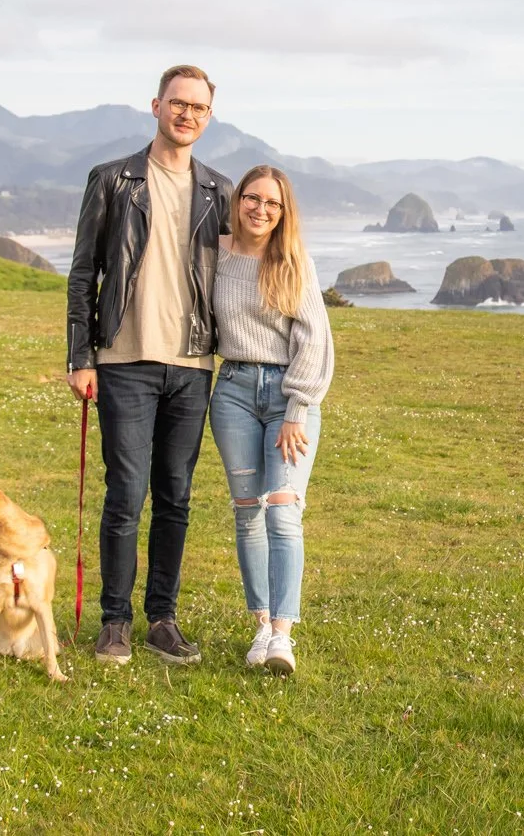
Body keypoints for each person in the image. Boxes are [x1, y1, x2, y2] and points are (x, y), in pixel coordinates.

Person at [67, 65, 233, 666]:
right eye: (178, 103)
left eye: (199, 108)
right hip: (123, 360)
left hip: (192, 365)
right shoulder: (113, 180)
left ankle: (162, 617)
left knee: (176, 496)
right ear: (156, 105)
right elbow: (85, 273)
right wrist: (79, 356)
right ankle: (115, 622)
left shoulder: (220, 190)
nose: (187, 115)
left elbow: (242, 272)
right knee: (125, 494)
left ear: (208, 118)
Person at [208, 163, 333, 674]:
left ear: (284, 213)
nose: (261, 209)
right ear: (238, 201)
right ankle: (259, 625)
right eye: (252, 199)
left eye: (273, 203)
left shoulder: (293, 260)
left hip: (287, 397)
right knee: (247, 512)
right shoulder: (215, 254)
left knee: (283, 510)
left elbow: (315, 339)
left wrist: (296, 410)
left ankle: (283, 635)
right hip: (232, 392)